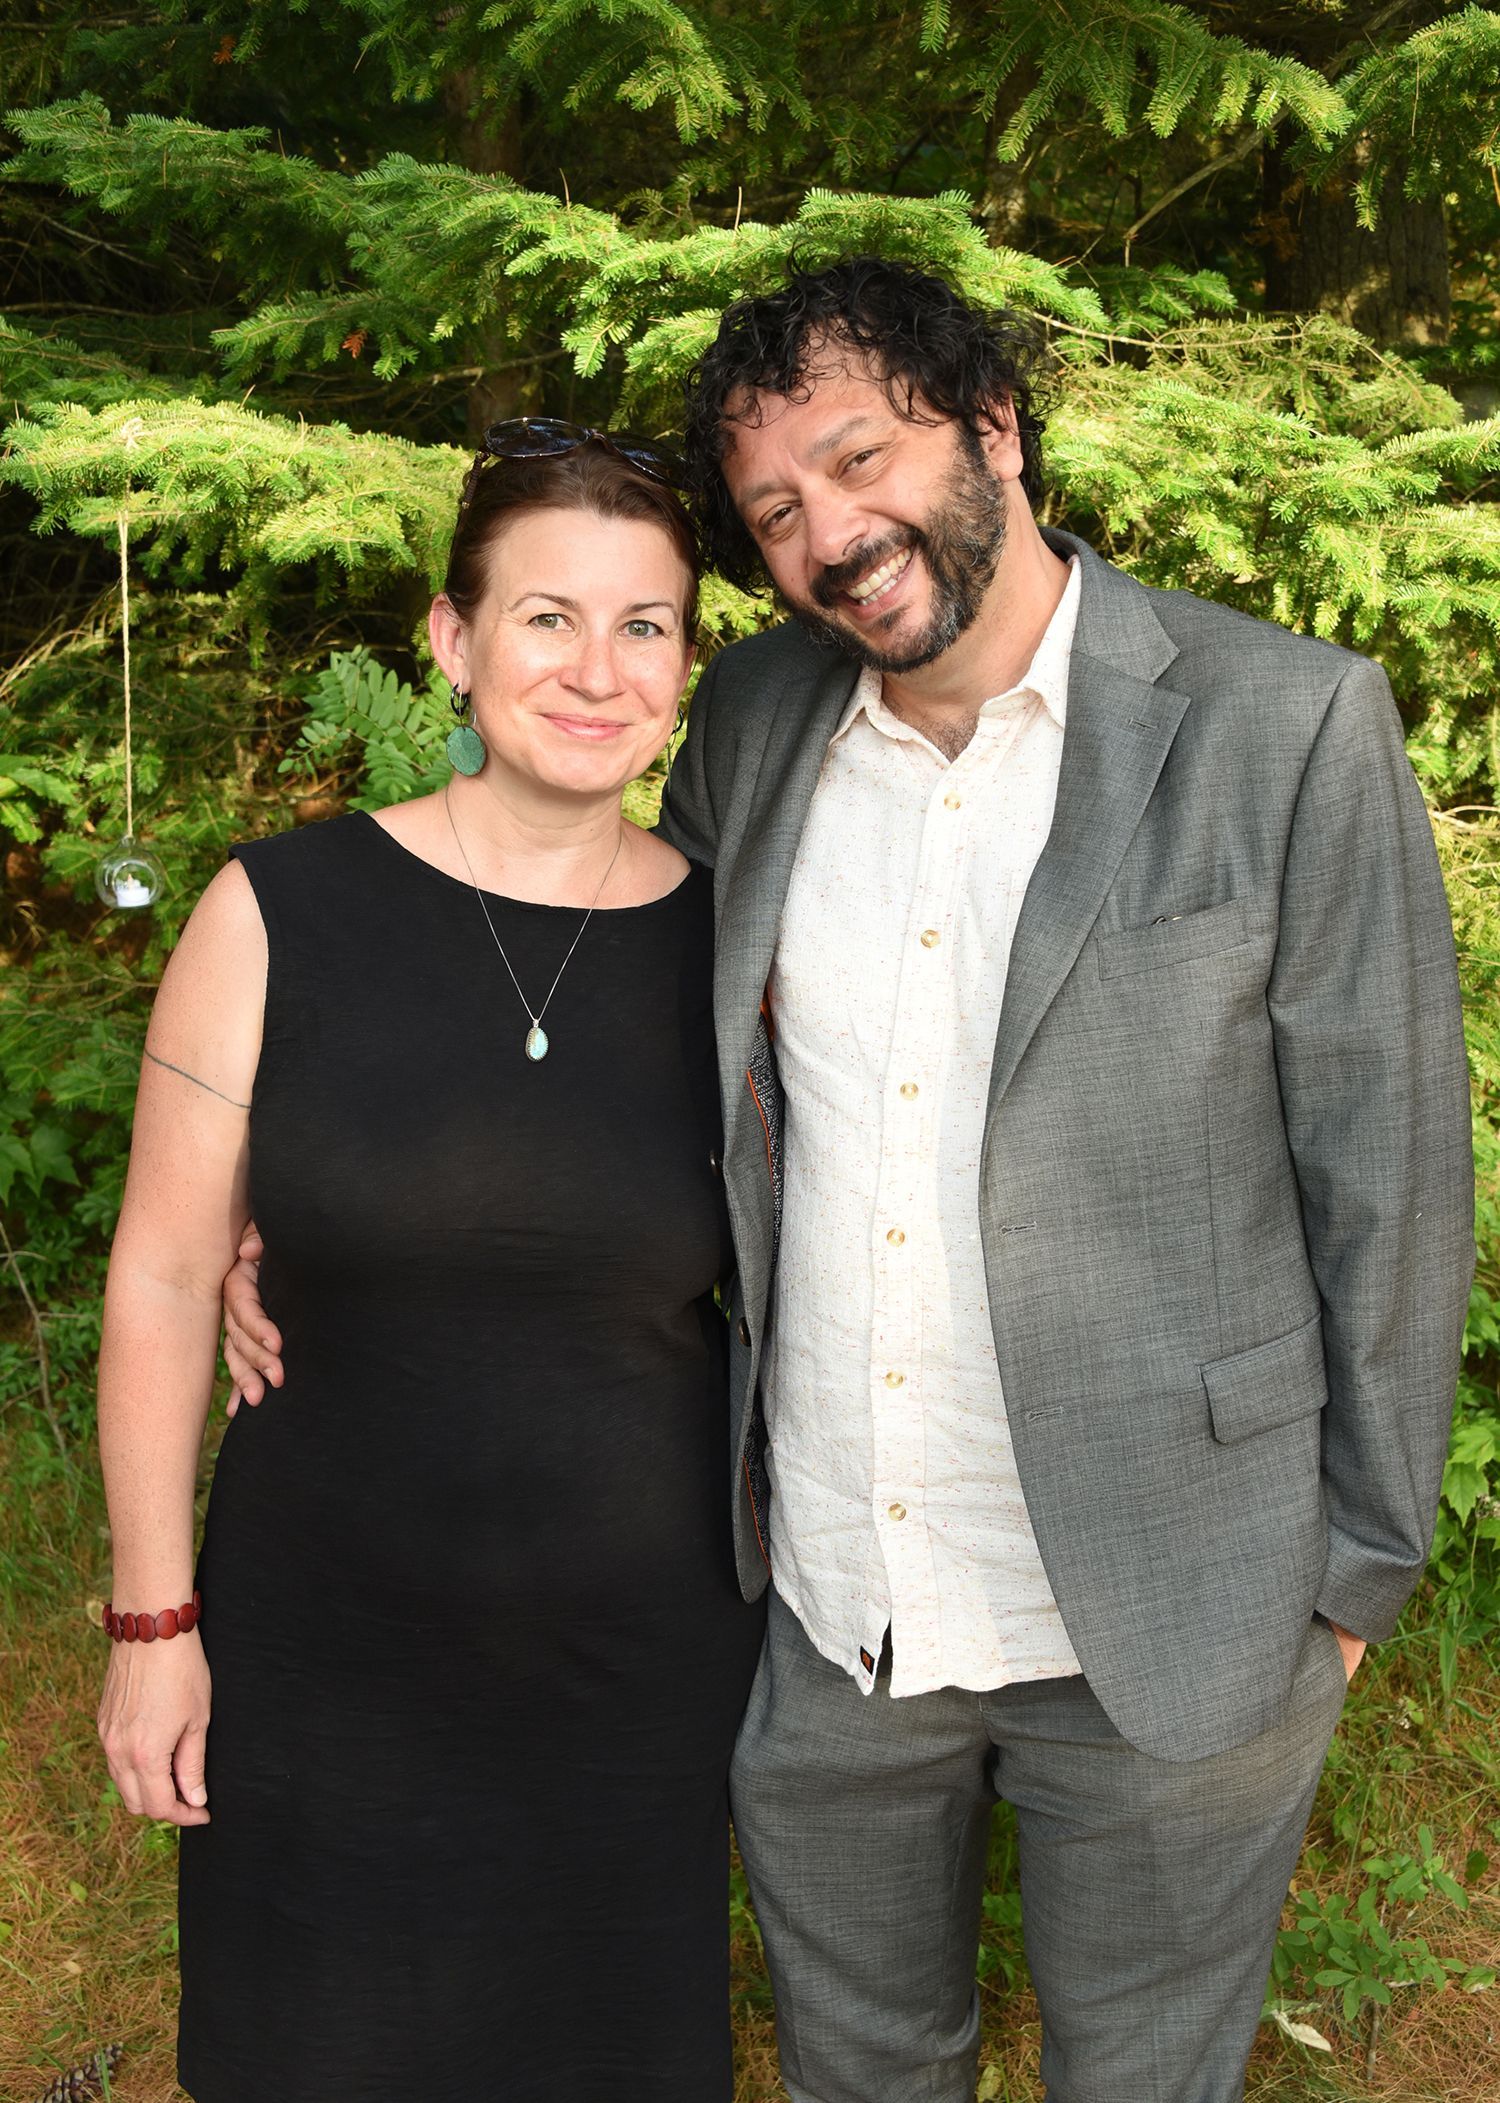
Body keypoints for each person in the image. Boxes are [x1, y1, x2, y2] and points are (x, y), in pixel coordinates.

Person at [226, 258, 1476, 2103]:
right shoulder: (754, 728)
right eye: (777, 511)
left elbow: (1393, 1179)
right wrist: (315, 1206)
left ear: (994, 427)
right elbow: (618, 1008)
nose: (831, 534)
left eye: (861, 458)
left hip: (1179, 1606)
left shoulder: (1282, 728)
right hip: (824, 1602)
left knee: (1147, 2080)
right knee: (858, 2073)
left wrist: (1351, 1585)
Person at [96, 425, 765, 2103]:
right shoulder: (275, 911)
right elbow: (170, 1277)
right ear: (453, 644)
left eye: (644, 627)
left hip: (636, 1671)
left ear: (687, 662)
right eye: (547, 618)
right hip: (328, 1655)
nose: (596, 671)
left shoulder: (742, 943)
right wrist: (152, 1617)